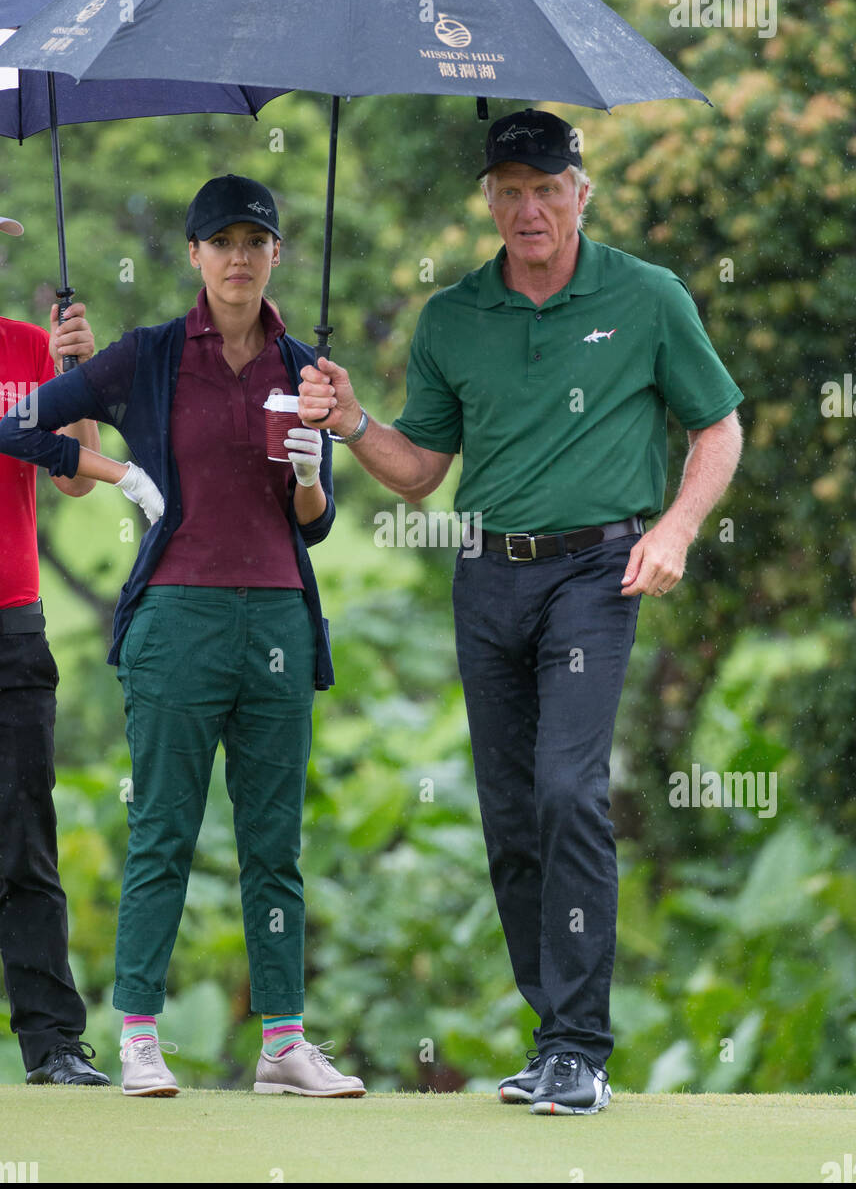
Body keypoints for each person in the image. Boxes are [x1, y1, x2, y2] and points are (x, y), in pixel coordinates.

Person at [297, 110, 743, 1116]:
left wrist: (673, 528)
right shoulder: (453, 316)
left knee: (565, 791)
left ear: (582, 192)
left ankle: (582, 1046)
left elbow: (717, 425)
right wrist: (353, 419)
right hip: (485, 574)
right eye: (511, 189)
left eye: (549, 187)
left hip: (598, 571)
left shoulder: (648, 298)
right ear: (489, 202)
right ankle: (553, 1040)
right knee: (507, 814)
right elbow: (418, 473)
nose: (530, 206)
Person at [0, 175, 365, 1100]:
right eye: (221, 241)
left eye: (256, 240)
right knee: (164, 826)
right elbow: (19, 423)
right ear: (194, 255)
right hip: (175, 616)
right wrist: (119, 468)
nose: (239, 257)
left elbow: (312, 523)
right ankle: (138, 1035)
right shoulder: (150, 357)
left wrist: (317, 474)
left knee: (274, 839)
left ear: (277, 254)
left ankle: (284, 1040)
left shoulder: (305, 369)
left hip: (281, 612)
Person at [0, 210, 110, 1086]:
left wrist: (80, 374)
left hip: (13, 625)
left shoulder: (26, 351)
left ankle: (54, 1046)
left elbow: (77, 475)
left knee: (26, 842)